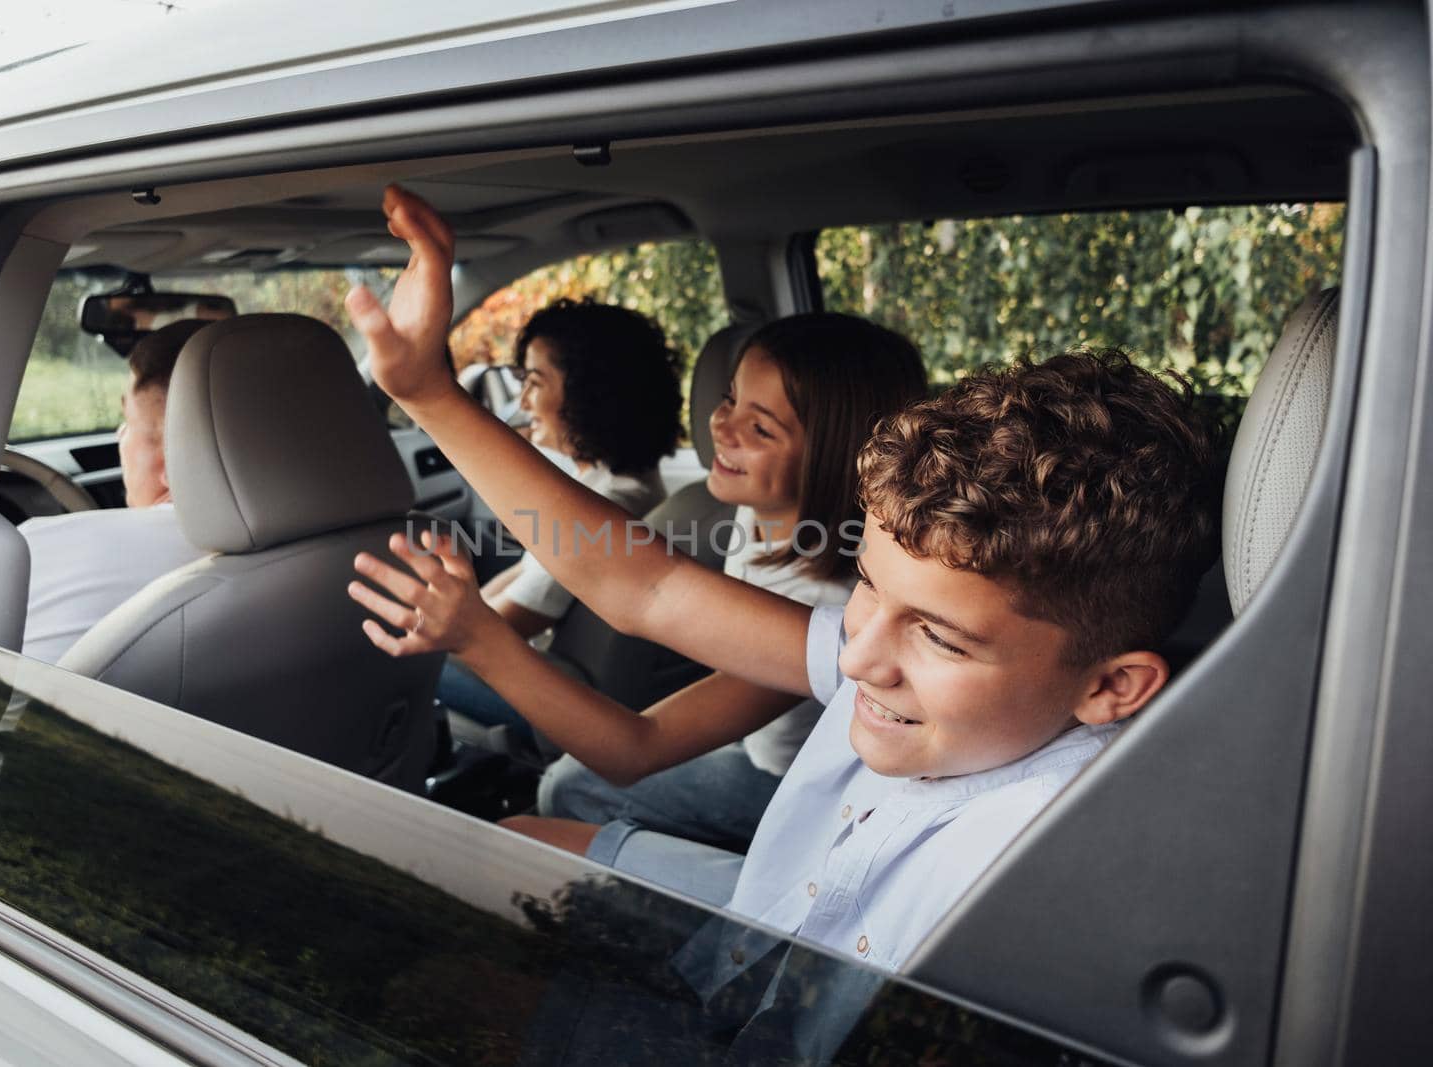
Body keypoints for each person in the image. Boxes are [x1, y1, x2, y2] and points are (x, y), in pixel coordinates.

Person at [343, 186, 1220, 972]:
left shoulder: (1022, 873)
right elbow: (644, 587)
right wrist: (427, 392)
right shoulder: (875, 652)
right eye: (871, 585)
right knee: (511, 841)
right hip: (771, 910)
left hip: (778, 971)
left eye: (941, 636)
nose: (859, 654)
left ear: (1112, 686)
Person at [407, 312, 926, 850]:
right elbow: (639, 581)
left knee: (567, 788)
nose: (720, 426)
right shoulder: (757, 511)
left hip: (786, 781)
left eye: (761, 428)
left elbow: (638, 747)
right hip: (749, 744)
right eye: (729, 399)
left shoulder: (829, 606)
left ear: (831, 457)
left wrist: (478, 636)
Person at [436, 298, 681, 735]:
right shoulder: (626, 486)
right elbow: (518, 580)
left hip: (557, 692)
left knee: (411, 659)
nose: (525, 402)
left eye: (535, 382)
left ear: (589, 395)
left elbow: (506, 625)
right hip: (567, 671)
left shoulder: (599, 513)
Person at [19, 319, 209, 664]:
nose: (121, 437)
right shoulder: (334, 565)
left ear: (175, 461)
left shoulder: (32, 553)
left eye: (130, 423)